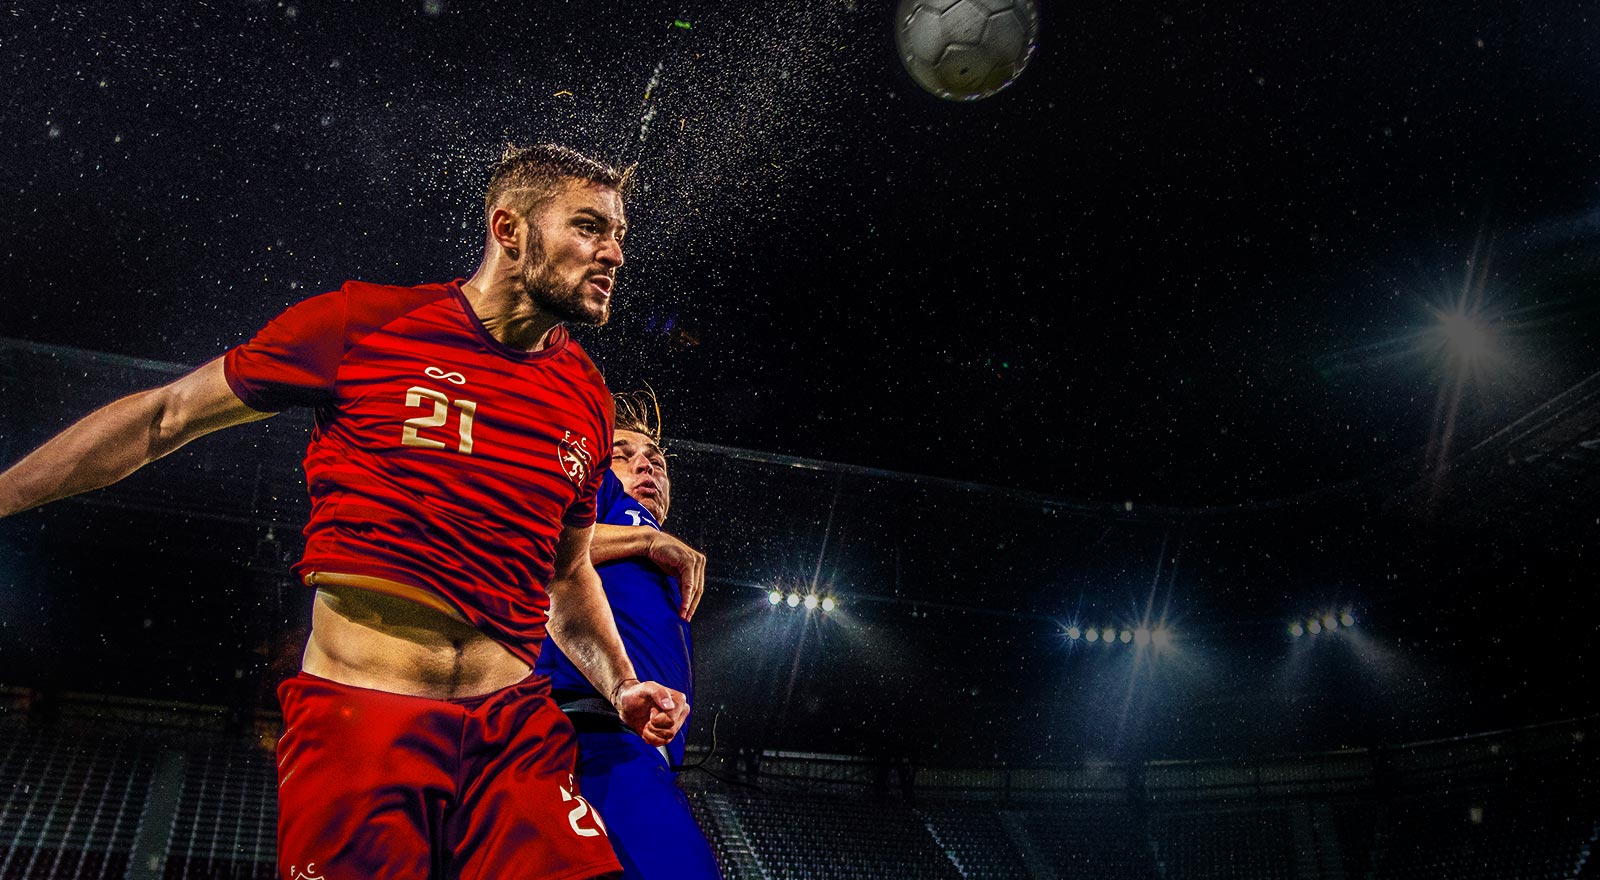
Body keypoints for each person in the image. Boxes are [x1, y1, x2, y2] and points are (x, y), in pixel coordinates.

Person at [0, 143, 687, 880]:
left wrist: (620, 683)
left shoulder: (583, 394)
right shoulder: (366, 324)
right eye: (589, 227)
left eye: (618, 234)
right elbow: (162, 418)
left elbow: (567, 573)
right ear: (509, 229)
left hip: (515, 733)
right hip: (363, 725)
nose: (612, 252)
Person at [536, 390, 720, 879]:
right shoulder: (598, 494)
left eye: (656, 462)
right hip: (587, 743)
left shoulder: (658, 559)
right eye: (623, 455)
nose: (646, 467)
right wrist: (644, 537)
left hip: (635, 756)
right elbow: (536, 539)